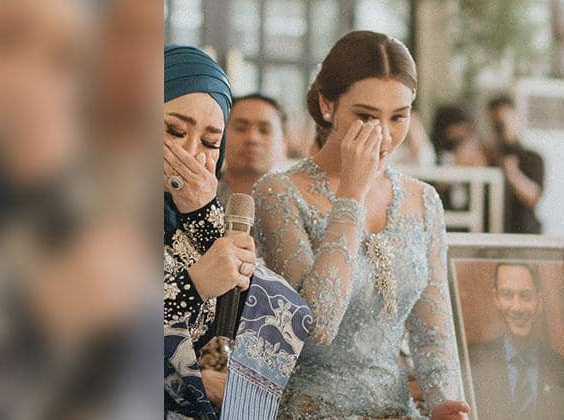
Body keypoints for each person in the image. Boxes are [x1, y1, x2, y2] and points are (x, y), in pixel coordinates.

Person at [254, 30, 469, 419]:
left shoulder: (423, 201)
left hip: (397, 410)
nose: (383, 134)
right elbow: (315, 328)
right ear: (327, 105)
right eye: (366, 116)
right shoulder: (278, 193)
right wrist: (352, 195)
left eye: (399, 116)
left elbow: (433, 335)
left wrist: (445, 404)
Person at [163, 45, 257, 418]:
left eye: (210, 143)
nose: (191, 152)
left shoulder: (199, 215)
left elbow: (238, 324)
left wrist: (202, 213)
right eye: (174, 131)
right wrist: (195, 283)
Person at [468, 264, 564, 420]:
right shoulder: (470, 364)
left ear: (539, 301)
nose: (517, 308)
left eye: (526, 296)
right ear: (496, 298)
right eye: (507, 295)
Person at [487, 95, 545, 234]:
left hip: (523, 234)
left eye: (504, 121)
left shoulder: (532, 158)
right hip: (492, 234)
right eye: (495, 124)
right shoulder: (487, 157)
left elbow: (533, 197)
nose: (500, 128)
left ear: (516, 118)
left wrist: (512, 173)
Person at [217, 93, 288, 204]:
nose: (252, 138)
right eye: (241, 128)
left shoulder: (295, 202)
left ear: (284, 143)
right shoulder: (199, 193)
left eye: (264, 130)